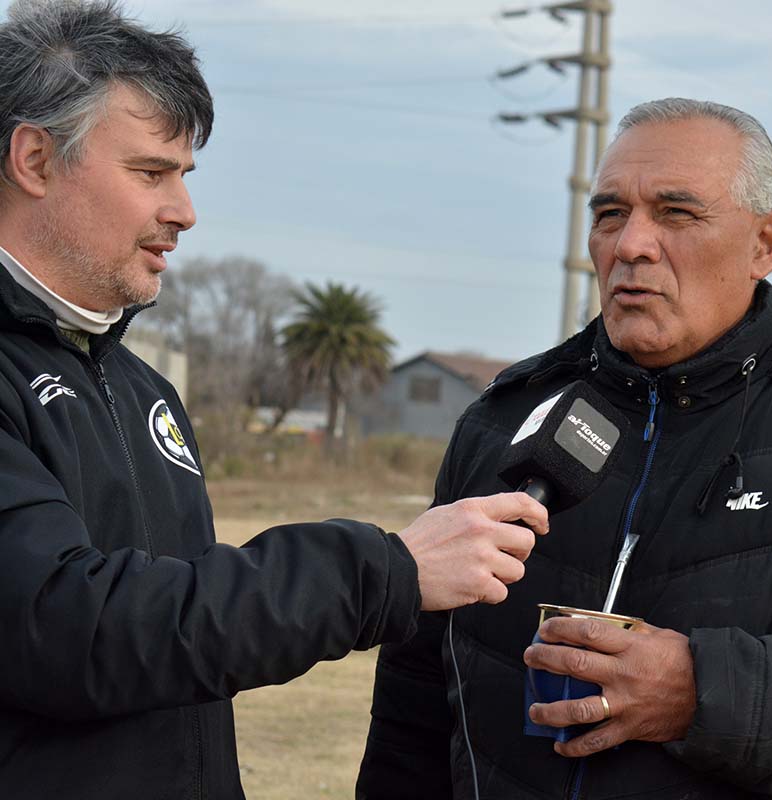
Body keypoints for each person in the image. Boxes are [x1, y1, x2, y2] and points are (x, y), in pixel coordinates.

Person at [358, 98, 772, 799]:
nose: (631, 245)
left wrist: (705, 693)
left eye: (676, 213)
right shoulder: (504, 421)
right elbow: (416, 702)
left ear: (766, 243)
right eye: (610, 213)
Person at [0, 2, 548, 797]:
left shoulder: (139, 384)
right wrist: (384, 570)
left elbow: (181, 639)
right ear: (34, 160)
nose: (183, 212)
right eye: (151, 172)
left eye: (185, 177)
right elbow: (69, 630)